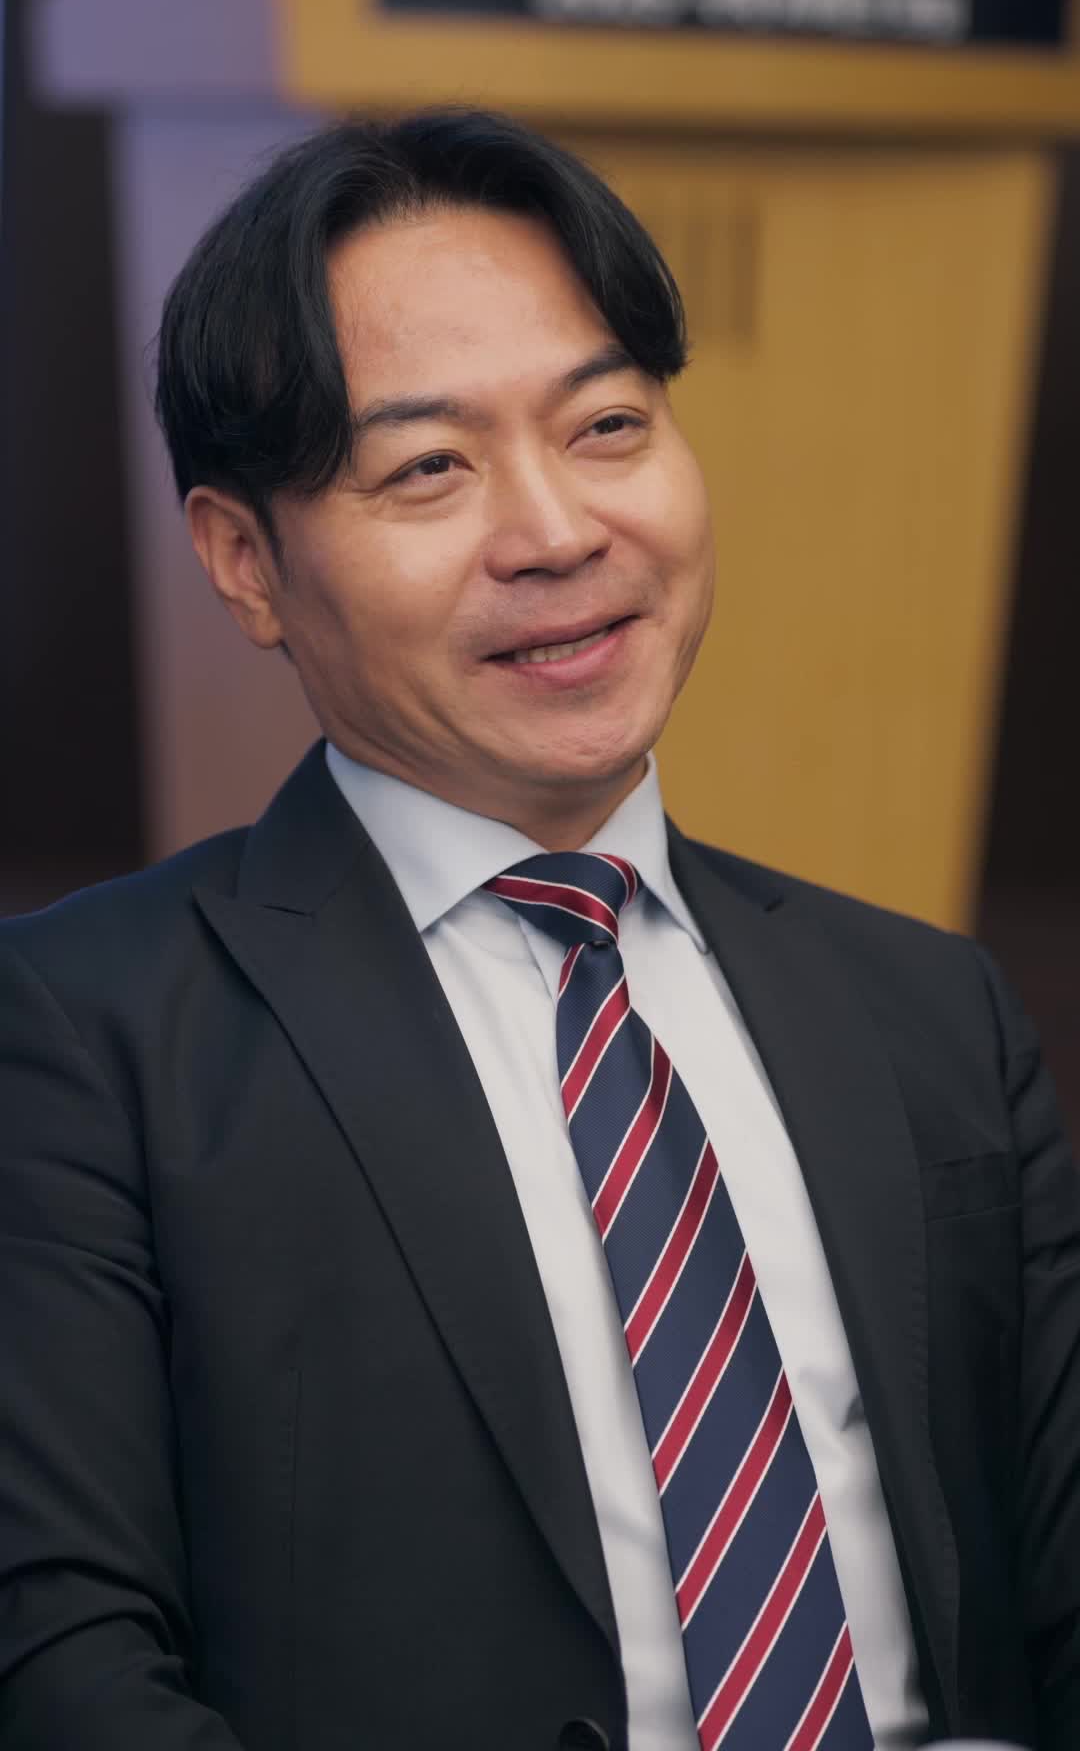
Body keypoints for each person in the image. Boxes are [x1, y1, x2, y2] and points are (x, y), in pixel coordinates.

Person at [0, 110, 1077, 1751]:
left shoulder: (933, 1011)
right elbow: (61, 1670)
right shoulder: (80, 1036)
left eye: (607, 425)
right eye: (429, 467)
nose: (560, 532)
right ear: (245, 563)